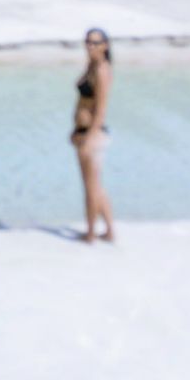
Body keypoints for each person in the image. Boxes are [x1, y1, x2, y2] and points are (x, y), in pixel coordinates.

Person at [72, 28, 116, 243]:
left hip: (93, 135)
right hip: (83, 132)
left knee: (90, 188)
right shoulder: (91, 66)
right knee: (95, 186)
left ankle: (90, 234)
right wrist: (76, 130)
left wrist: (89, 137)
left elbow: (101, 109)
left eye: (95, 43)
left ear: (105, 45)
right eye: (88, 42)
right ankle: (109, 231)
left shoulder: (102, 70)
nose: (90, 46)